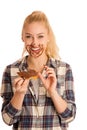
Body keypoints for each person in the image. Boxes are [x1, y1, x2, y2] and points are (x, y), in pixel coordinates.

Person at [0, 11, 76, 130]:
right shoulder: (11, 70)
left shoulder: (64, 69)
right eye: (29, 36)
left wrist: (53, 92)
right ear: (22, 38)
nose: (35, 42)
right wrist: (19, 94)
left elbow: (69, 116)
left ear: (48, 37)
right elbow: (8, 119)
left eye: (40, 36)